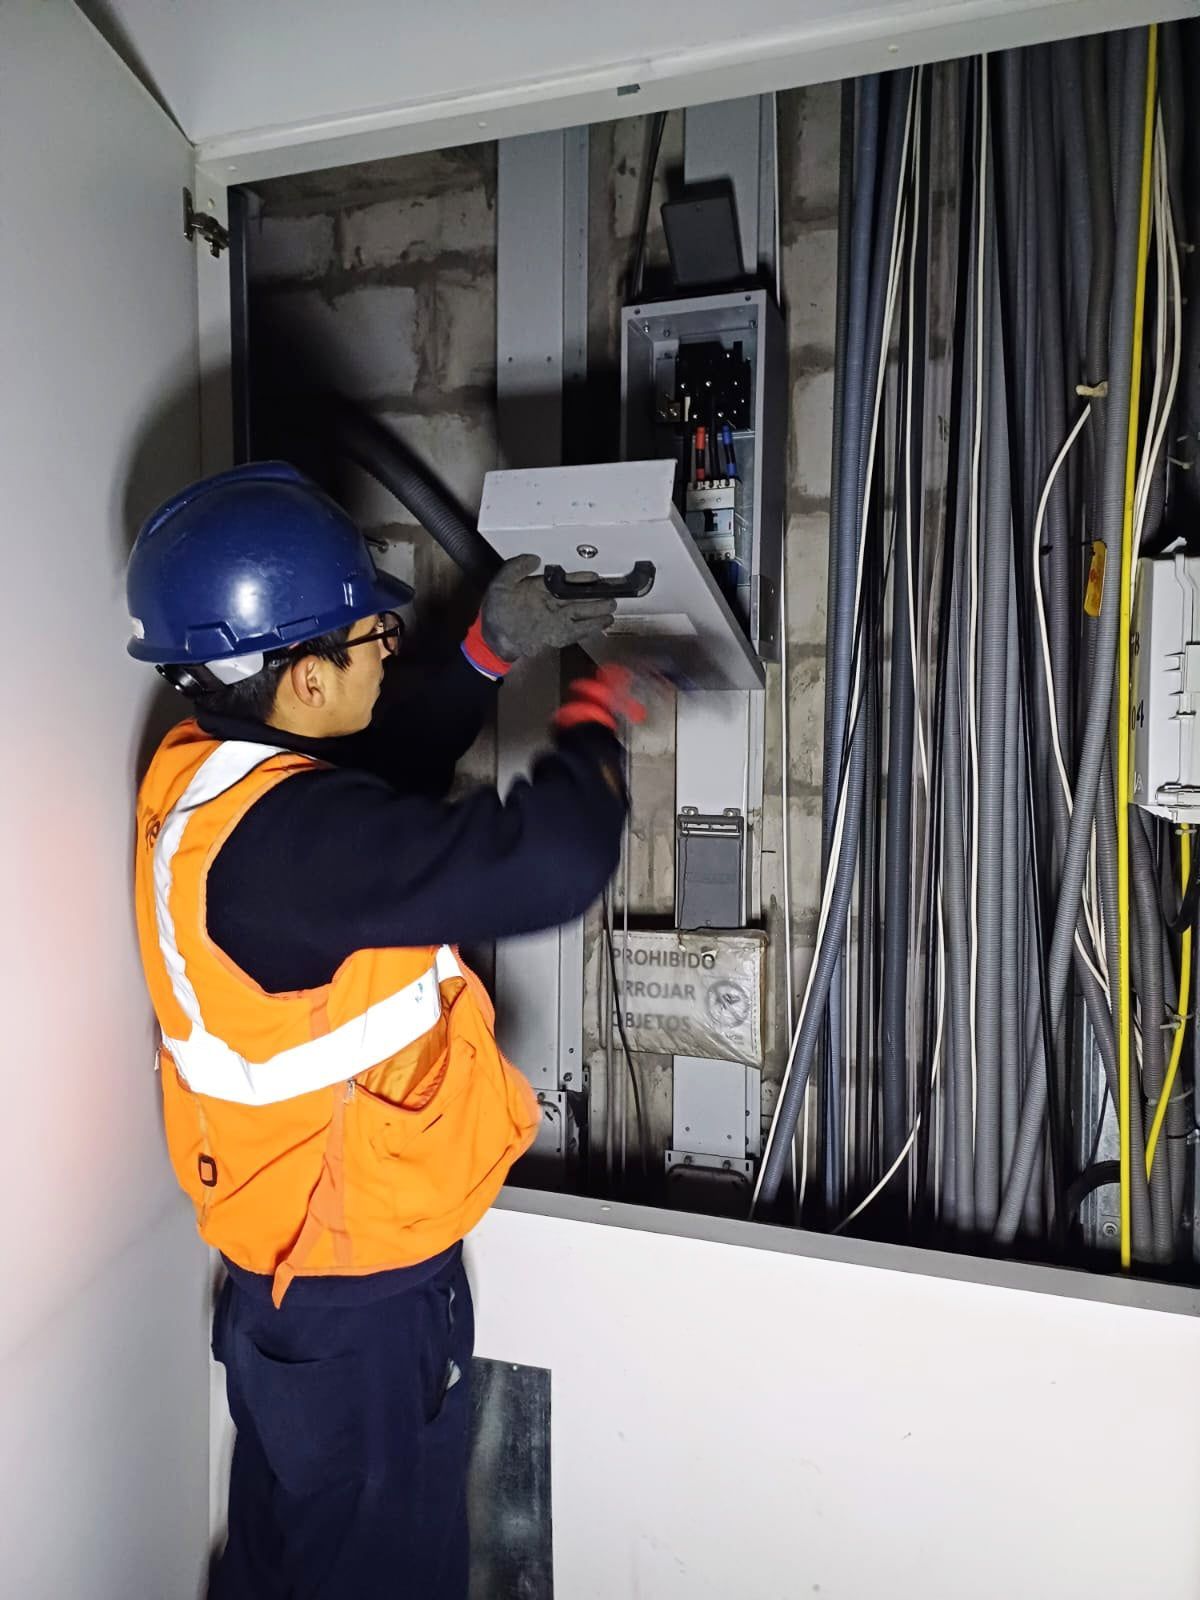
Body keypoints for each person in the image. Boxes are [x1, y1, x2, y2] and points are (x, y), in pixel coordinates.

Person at [126, 461, 644, 1599]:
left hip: (293, 1290)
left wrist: (485, 654)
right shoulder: (290, 854)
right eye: (371, 636)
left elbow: (356, 777)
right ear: (302, 678)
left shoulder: (213, 773)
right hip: (359, 1305)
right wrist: (599, 729)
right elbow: (553, 859)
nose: (386, 644)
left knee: (276, 1571)